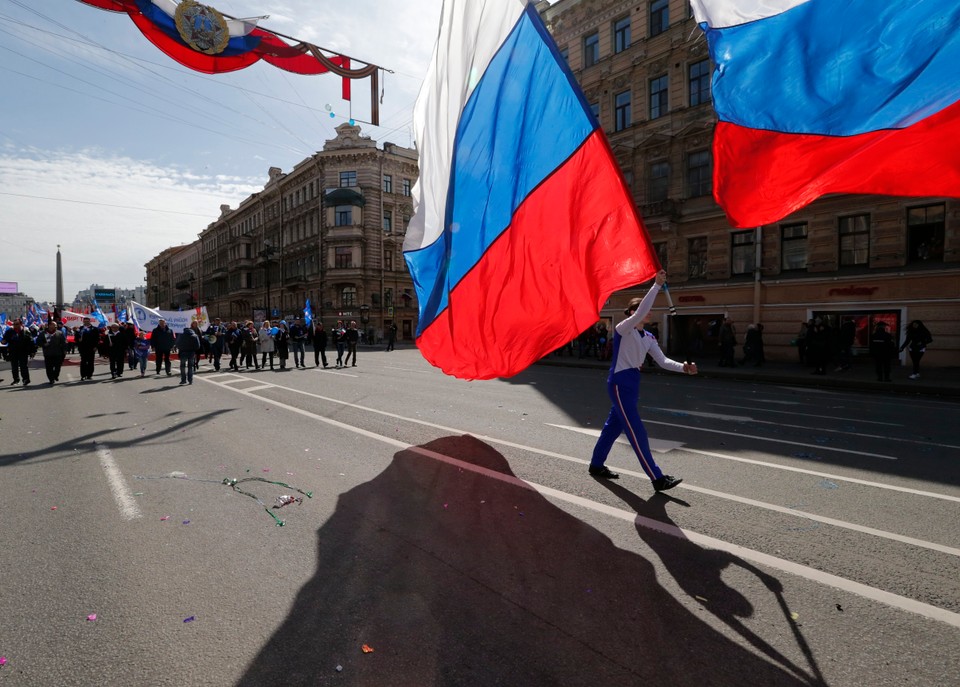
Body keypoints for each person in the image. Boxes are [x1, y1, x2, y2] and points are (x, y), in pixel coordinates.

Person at [589, 270, 698, 492]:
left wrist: (684, 368)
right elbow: (640, 313)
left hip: (632, 383)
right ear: (631, 312)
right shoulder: (623, 329)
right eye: (641, 310)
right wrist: (656, 285)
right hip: (619, 382)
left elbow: (663, 361)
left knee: (612, 427)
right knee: (637, 431)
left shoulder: (648, 337)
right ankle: (657, 478)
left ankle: (596, 465)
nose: (648, 314)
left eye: (647, 311)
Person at [3, 319, 36, 386]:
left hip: (23, 352)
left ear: (21, 324)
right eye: (14, 324)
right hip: (13, 352)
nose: (15, 326)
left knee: (23, 366)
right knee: (14, 367)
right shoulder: (9, 332)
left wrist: (33, 351)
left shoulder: (26, 331)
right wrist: (3, 342)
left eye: (17, 324)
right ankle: (16, 380)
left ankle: (26, 379)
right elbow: (5, 340)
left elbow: (31, 341)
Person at [37, 320, 67, 385]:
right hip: (48, 353)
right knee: (49, 367)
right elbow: (38, 341)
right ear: (49, 325)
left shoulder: (59, 333)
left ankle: (55, 375)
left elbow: (64, 342)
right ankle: (51, 379)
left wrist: (65, 350)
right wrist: (44, 344)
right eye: (53, 324)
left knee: (58, 367)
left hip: (58, 353)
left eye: (55, 325)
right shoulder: (43, 333)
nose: (55, 326)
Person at [76, 316, 101, 381]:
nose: (86, 322)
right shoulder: (80, 329)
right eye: (85, 321)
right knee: (83, 362)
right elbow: (76, 338)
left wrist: (96, 346)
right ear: (83, 321)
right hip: (83, 348)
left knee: (90, 362)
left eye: (87, 321)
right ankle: (83, 375)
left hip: (91, 348)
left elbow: (98, 338)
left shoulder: (94, 329)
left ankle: (89, 375)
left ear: (90, 321)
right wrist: (79, 340)